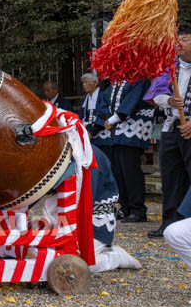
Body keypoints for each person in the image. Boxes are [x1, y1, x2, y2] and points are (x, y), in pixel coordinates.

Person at [144, 24, 191, 237]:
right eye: (177, 41)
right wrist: (169, 100)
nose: (179, 44)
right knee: (170, 177)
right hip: (171, 129)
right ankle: (170, 223)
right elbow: (155, 95)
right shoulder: (169, 68)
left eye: (185, 40)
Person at [94, 77, 154, 222]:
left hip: (133, 132)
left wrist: (114, 119)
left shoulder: (139, 80)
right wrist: (105, 120)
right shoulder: (115, 82)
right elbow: (103, 103)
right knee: (118, 172)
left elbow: (130, 104)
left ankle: (138, 209)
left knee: (130, 171)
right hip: (114, 134)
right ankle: (125, 207)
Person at [79, 72, 104, 142]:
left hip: (100, 130)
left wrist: (92, 132)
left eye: (86, 82)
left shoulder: (102, 96)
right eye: (83, 83)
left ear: (95, 83)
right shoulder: (85, 99)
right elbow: (81, 116)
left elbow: (103, 116)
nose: (84, 85)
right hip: (86, 130)